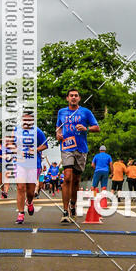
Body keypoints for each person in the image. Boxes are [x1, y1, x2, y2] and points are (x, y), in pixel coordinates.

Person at [56, 88, 100, 224]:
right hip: (67, 147)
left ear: (79, 98)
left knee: (76, 180)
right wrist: (58, 134)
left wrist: (86, 128)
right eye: (71, 96)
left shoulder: (85, 112)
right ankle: (64, 211)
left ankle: (73, 205)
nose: (73, 98)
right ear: (67, 98)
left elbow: (97, 127)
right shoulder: (61, 112)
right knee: (67, 177)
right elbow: (58, 127)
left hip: (81, 149)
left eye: (76, 96)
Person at [12, 113, 48, 224]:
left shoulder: (37, 131)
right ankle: (21, 213)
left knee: (30, 192)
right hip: (19, 163)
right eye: (25, 119)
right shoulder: (16, 130)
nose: (27, 122)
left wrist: (36, 149)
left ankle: (30, 202)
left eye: (30, 120)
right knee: (20, 187)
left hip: (34, 164)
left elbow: (45, 145)